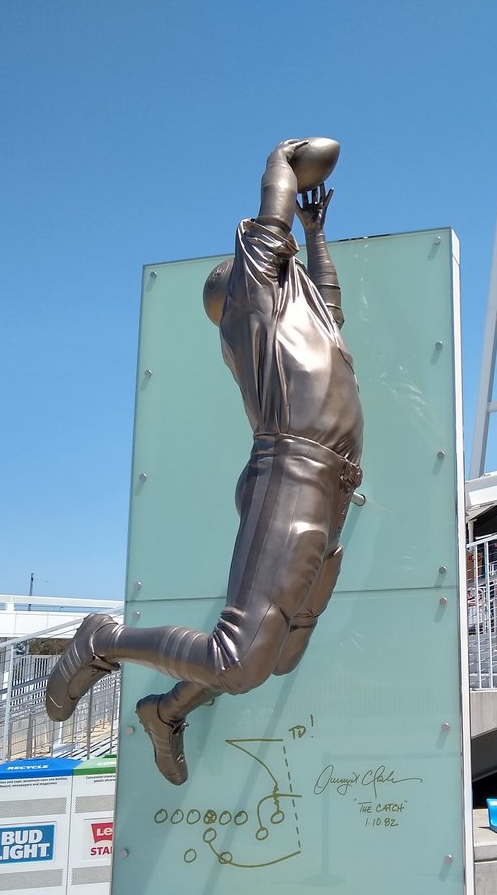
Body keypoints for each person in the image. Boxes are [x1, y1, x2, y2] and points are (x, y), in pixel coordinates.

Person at [45, 138, 364, 786]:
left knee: (278, 654)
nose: (285, 266)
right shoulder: (252, 306)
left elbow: (330, 301)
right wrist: (281, 162)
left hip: (331, 489)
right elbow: (271, 212)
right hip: (293, 475)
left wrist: (317, 232)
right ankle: (101, 640)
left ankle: (166, 710)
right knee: (240, 658)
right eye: (271, 263)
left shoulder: (307, 316)